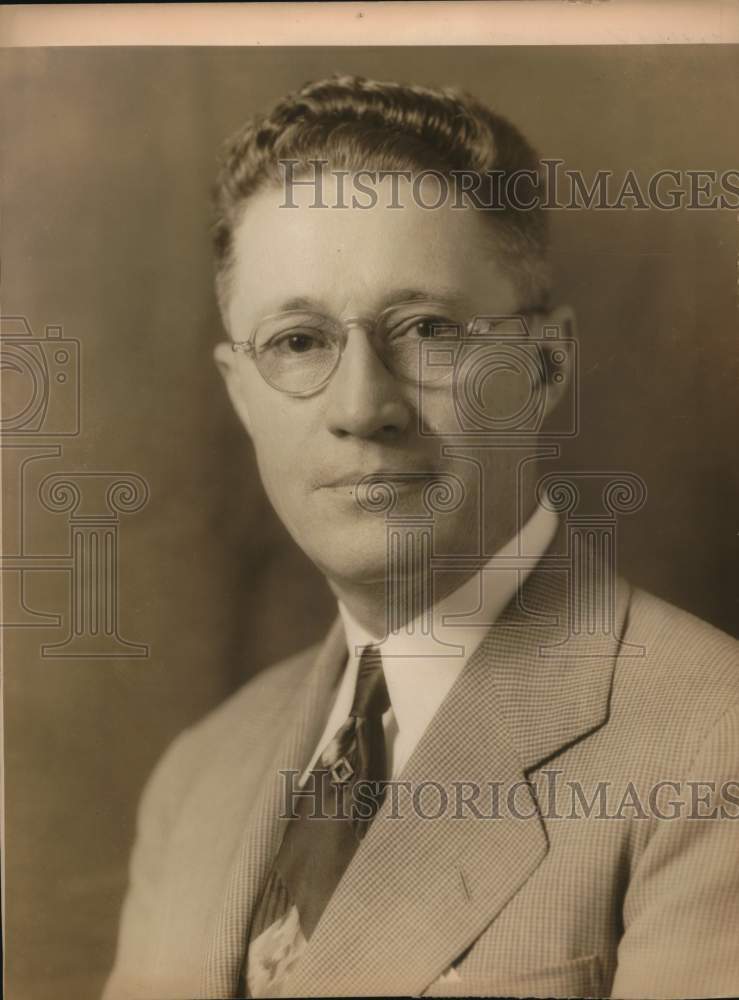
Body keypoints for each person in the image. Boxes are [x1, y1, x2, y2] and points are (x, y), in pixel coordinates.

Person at [103, 75, 738, 1000]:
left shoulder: (711, 748)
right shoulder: (198, 777)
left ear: (544, 363)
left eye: (428, 329)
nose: (363, 407)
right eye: (297, 342)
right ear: (241, 393)